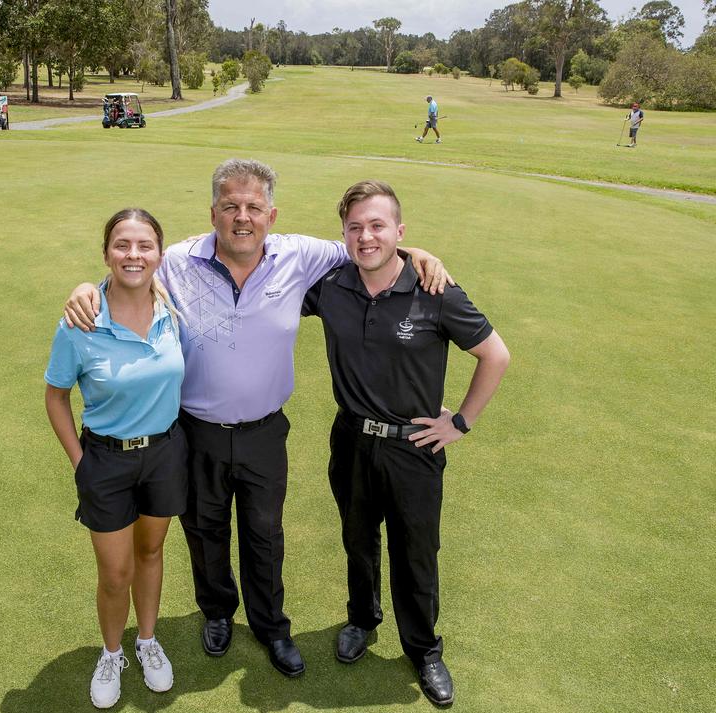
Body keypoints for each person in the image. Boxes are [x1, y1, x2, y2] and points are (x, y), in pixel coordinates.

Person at [64, 160, 453, 679]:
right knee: (205, 530)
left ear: (271, 214)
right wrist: (84, 289)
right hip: (195, 430)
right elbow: (129, 269)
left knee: (265, 534)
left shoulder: (301, 255)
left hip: (265, 431)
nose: (241, 218)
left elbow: (369, 246)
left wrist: (416, 252)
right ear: (213, 213)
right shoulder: (178, 261)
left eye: (252, 208)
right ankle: (219, 613)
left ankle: (271, 626)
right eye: (230, 207)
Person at [301, 180, 510, 706]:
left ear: (400, 230)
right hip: (350, 439)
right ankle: (362, 620)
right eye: (355, 227)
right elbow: (264, 277)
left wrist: (459, 423)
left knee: (416, 552)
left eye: (378, 226)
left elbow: (496, 355)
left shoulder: (434, 290)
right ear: (344, 233)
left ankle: (423, 649)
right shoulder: (330, 286)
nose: (366, 236)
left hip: (414, 447)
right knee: (357, 539)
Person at [44, 209, 188, 709]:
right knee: (115, 573)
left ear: (159, 255)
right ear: (106, 253)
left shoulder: (173, 309)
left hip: (166, 452)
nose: (133, 255)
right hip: (105, 460)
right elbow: (56, 396)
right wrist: (80, 462)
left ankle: (146, 642)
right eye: (122, 245)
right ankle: (111, 652)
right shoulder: (80, 321)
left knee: (151, 553)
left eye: (144, 245)